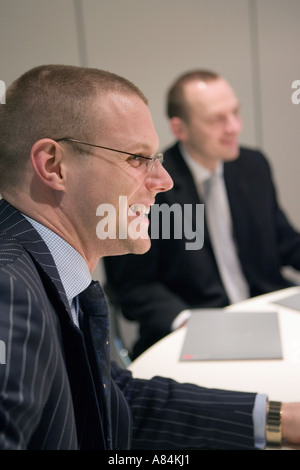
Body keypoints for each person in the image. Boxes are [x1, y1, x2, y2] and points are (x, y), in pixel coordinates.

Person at [0, 65, 300, 451]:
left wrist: (281, 419)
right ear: (53, 165)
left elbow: (117, 402)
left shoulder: (46, 271)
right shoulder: (10, 293)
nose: (163, 181)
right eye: (136, 158)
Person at [104, 70, 300, 359]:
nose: (233, 127)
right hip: (194, 327)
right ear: (180, 128)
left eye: (235, 113)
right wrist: (184, 321)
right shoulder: (150, 185)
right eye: (217, 119)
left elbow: (286, 242)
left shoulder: (253, 165)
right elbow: (132, 284)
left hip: (264, 315)